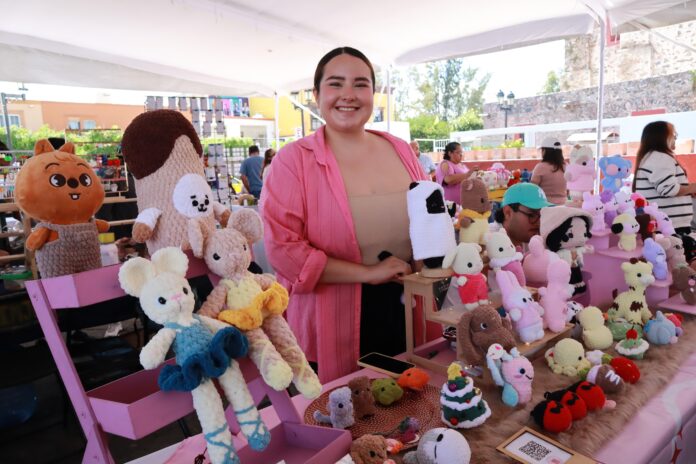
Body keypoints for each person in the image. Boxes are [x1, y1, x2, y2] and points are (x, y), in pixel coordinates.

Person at [261, 46, 426, 382]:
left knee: (415, 399)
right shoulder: (293, 161)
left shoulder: (400, 149)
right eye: (336, 84)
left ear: (373, 94)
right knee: (348, 406)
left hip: (406, 306)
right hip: (332, 318)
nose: (348, 95)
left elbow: (428, 215)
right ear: (316, 95)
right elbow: (283, 250)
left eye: (360, 84)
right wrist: (368, 273)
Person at [633, 121, 696, 239]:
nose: (675, 137)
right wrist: (693, 187)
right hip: (669, 225)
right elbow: (669, 189)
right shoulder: (659, 157)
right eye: (673, 134)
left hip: (667, 224)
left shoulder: (654, 157)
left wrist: (688, 190)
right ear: (661, 137)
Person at [494, 183, 554, 247]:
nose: (539, 223)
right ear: (508, 212)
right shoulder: (490, 244)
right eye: (531, 215)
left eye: (542, 215)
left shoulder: (535, 241)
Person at [531, 137, 567, 205]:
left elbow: (532, 188)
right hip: (564, 204)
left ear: (545, 151)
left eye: (542, 150)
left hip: (544, 205)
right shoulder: (566, 166)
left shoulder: (540, 167)